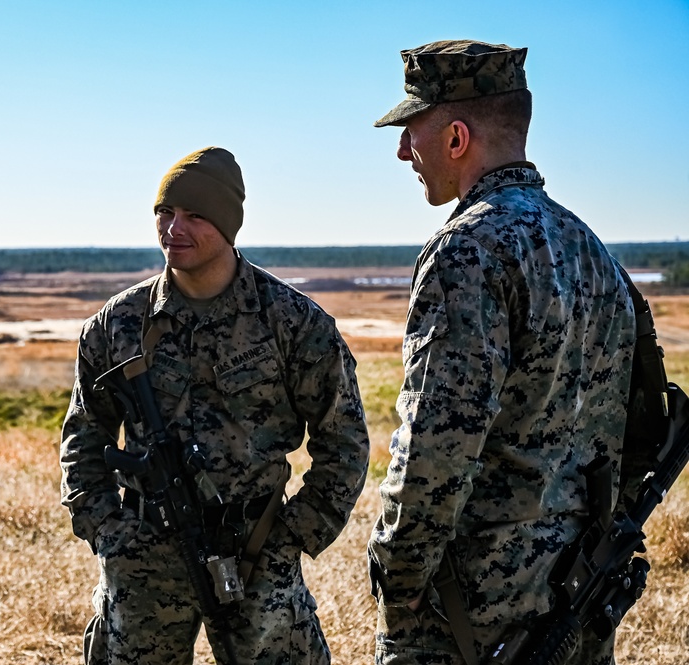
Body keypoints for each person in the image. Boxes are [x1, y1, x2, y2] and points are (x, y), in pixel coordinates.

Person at [367, 40, 636, 665]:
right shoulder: (592, 250)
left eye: (412, 132)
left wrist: (399, 576)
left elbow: (436, 446)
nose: (404, 151)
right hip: (576, 594)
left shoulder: (468, 250)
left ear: (457, 138)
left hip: (474, 613)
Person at [60, 146, 370, 665]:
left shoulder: (293, 322)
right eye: (165, 212)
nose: (173, 229)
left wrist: (293, 535)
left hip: (255, 555)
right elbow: (82, 438)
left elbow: (345, 441)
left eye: (194, 215)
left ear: (228, 225)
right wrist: (108, 531)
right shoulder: (117, 325)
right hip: (144, 559)